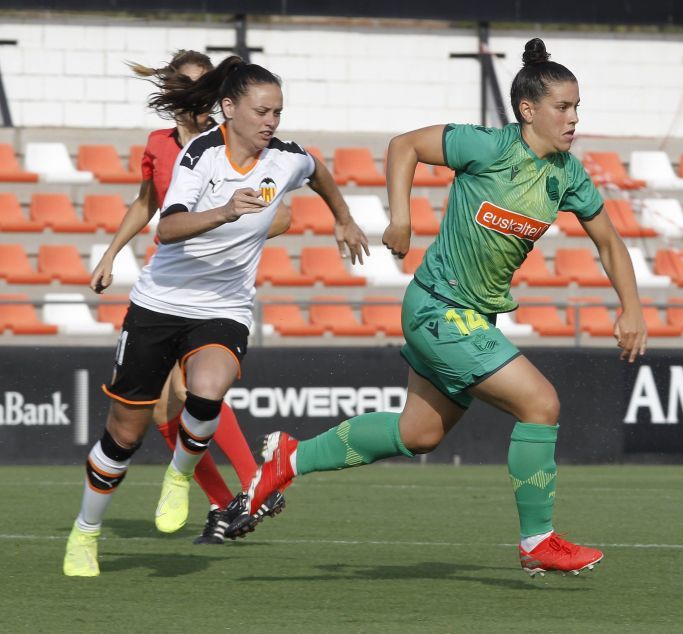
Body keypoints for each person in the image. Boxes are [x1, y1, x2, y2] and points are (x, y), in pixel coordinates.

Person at [226, 38, 648, 577]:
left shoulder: (567, 174)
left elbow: (609, 242)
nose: (573, 119)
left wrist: (630, 307)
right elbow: (404, 145)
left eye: (576, 108)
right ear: (528, 110)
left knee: (417, 434)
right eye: (563, 107)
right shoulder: (488, 146)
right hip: (439, 307)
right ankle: (537, 540)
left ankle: (288, 458)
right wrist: (399, 217)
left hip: (470, 316)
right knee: (541, 404)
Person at [63, 55, 369, 576]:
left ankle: (180, 476)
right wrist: (228, 209)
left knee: (208, 390)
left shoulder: (285, 157)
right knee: (125, 433)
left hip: (224, 307)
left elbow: (318, 171)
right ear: (229, 109)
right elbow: (168, 228)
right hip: (159, 304)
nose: (271, 121)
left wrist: (344, 219)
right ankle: (85, 534)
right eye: (262, 111)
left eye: (277, 111)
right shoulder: (200, 154)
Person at [90, 50, 292, 547]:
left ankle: (250, 490)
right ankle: (231, 503)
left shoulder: (232, 149)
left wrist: (238, 224)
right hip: (167, 287)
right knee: (164, 411)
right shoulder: (161, 146)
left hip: (215, 291)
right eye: (187, 86)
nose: (195, 96)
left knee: (190, 394)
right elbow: (146, 204)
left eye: (204, 86)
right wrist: (111, 253)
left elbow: (281, 215)